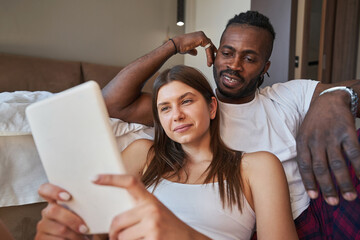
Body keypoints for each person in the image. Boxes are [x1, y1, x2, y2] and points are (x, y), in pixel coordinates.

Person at [100, 11, 360, 239]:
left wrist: (337, 96)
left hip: (299, 213)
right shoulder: (192, 104)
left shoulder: (287, 97)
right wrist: (173, 45)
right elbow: (111, 105)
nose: (234, 65)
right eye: (227, 53)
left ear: (265, 67)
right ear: (214, 54)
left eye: (249, 59)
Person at [35, 65, 298, 240]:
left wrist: (182, 234)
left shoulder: (257, 166)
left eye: (186, 101)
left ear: (212, 108)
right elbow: (96, 229)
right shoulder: (143, 154)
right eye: (165, 108)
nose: (177, 115)